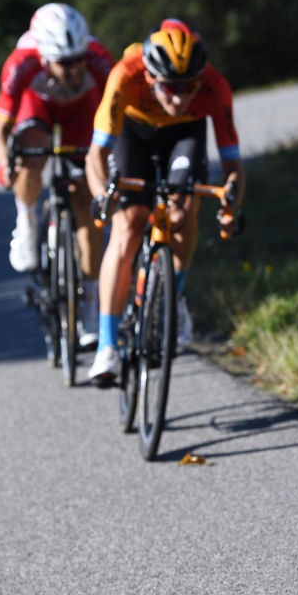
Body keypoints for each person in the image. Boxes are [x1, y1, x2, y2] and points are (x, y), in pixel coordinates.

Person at [84, 19, 245, 384]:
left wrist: (230, 205)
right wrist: (101, 195)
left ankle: (175, 292)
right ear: (150, 76)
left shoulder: (214, 85)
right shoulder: (125, 74)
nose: (179, 97)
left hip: (184, 133)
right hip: (133, 132)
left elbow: (233, 168)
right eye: (170, 87)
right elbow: (96, 155)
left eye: (189, 87)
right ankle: (107, 345)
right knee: (128, 225)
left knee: (183, 211)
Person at [0, 2, 113, 348]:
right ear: (44, 58)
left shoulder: (99, 60)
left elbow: (117, 121)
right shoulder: (21, 64)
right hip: (38, 106)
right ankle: (27, 222)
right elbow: (0, 132)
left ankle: (90, 306)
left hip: (82, 111)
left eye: (79, 59)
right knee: (30, 154)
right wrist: (6, 163)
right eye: (64, 62)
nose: (75, 68)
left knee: (85, 202)